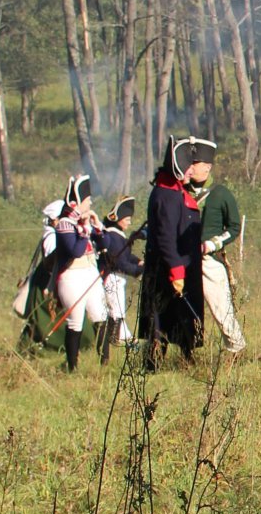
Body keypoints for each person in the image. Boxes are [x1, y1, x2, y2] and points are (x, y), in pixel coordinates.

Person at [141, 136, 214, 368]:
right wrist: (176, 271)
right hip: (169, 268)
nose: (191, 172)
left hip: (183, 265)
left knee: (183, 318)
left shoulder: (173, 192)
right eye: (187, 167)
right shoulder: (167, 195)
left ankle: (185, 359)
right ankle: (152, 364)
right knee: (159, 320)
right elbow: (165, 238)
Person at [53, 176, 107, 371]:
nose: (90, 202)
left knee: (101, 317)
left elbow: (105, 246)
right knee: (75, 321)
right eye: (87, 199)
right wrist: (84, 230)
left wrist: (97, 227)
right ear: (76, 202)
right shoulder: (64, 224)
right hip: (72, 276)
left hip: (90, 273)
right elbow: (75, 250)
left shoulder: (86, 223)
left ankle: (105, 364)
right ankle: (72, 367)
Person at [196, 156, 249, 355]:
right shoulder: (180, 193)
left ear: (207, 166)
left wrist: (212, 244)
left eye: (196, 163)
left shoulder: (220, 193)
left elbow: (234, 227)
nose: (191, 168)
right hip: (183, 261)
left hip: (208, 259)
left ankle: (236, 350)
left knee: (221, 309)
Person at [95, 196, 143, 363]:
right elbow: (119, 262)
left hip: (117, 279)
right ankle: (127, 344)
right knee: (115, 316)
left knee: (117, 315)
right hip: (112, 279)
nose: (129, 223)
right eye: (127, 219)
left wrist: (138, 262)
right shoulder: (113, 236)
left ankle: (125, 344)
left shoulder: (117, 236)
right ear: (119, 219)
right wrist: (139, 270)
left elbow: (126, 256)